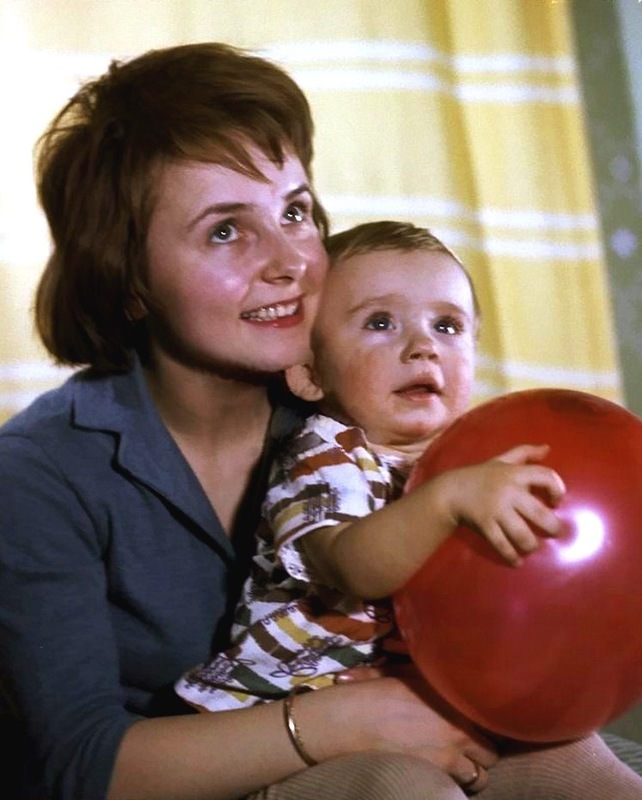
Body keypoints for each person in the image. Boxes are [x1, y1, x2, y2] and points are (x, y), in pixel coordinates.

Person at [0, 43, 504, 800]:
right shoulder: (36, 475)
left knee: (587, 765)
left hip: (394, 717)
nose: (291, 262)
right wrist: (339, 722)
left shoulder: (365, 403)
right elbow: (82, 767)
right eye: (226, 231)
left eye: (295, 211)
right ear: (128, 279)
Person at [175, 220, 642, 800]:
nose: (423, 346)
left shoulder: (483, 459)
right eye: (380, 323)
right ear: (310, 372)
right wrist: (446, 503)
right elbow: (353, 567)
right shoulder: (325, 454)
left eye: (447, 325)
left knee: (587, 765)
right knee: (411, 790)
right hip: (309, 717)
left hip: (448, 705)